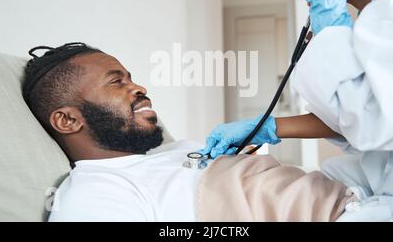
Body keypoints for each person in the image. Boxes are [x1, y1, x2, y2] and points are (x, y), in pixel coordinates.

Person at [200, 0, 393, 221]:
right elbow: (357, 111)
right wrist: (269, 127)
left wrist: (331, 22)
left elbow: (368, 119)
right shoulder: (384, 10)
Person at [23, 43, 350, 222]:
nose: (139, 87)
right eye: (116, 81)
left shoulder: (177, 150)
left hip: (357, 198)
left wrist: (273, 128)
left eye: (130, 77)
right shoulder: (96, 192)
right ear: (67, 121)